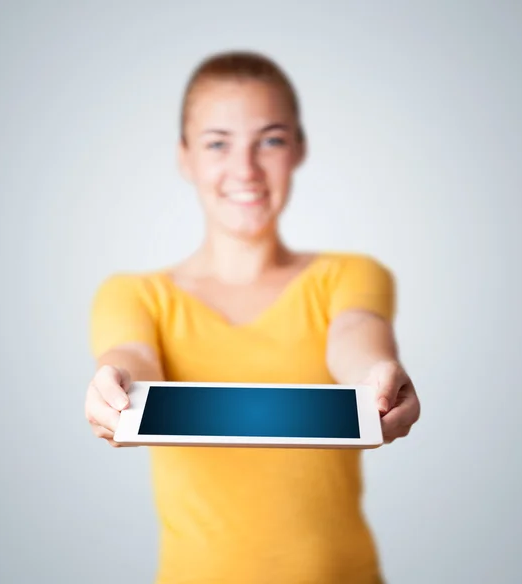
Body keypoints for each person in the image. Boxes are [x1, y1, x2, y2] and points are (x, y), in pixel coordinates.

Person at [85, 50, 421, 584]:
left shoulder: (352, 274)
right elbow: (134, 358)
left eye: (270, 140)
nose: (245, 169)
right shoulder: (134, 294)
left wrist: (375, 375)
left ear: (299, 149)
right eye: (218, 143)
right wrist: (117, 386)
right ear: (184, 156)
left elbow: (356, 334)